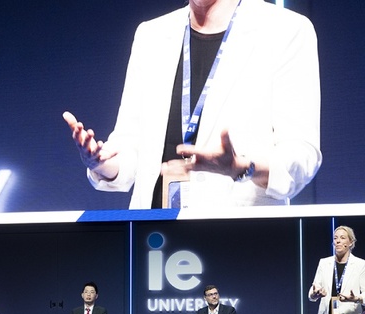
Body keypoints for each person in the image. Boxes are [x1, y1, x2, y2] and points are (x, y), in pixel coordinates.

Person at [63, 0, 321, 211]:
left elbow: (302, 156)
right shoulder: (151, 35)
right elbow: (129, 148)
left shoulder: (286, 30)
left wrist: (241, 167)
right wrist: (100, 163)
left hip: (241, 238)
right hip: (153, 237)